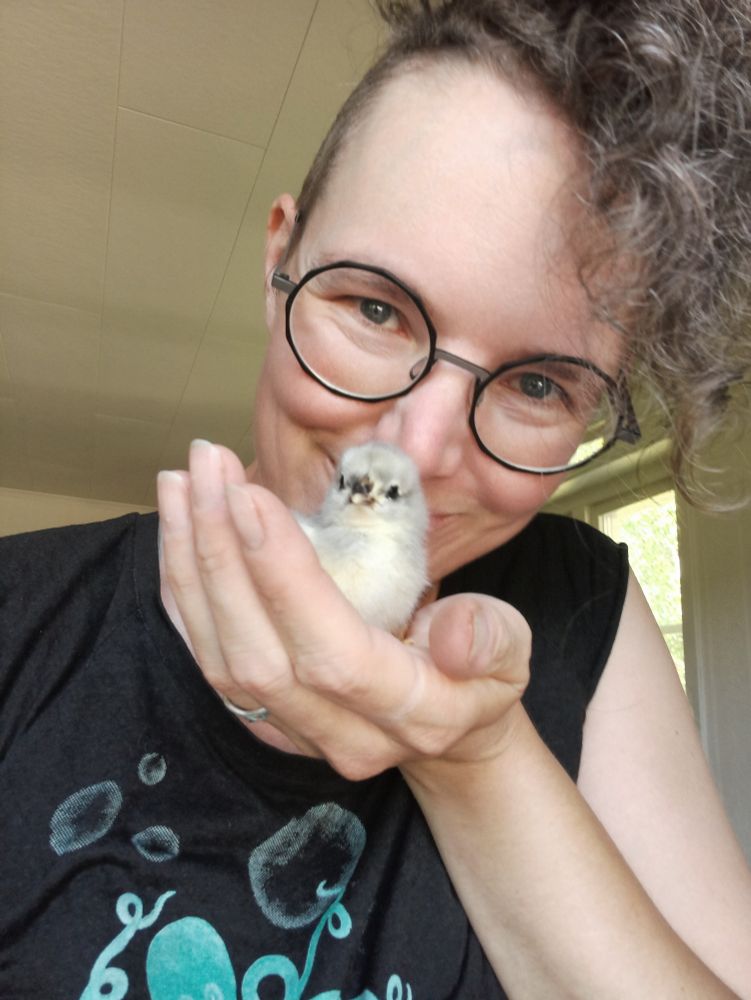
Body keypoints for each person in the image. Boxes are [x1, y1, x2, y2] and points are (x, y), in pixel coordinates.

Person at [2, 1, 751, 996]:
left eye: (539, 384)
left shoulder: (584, 609)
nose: (416, 448)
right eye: (376, 307)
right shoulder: (21, 622)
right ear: (279, 266)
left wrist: (474, 753)